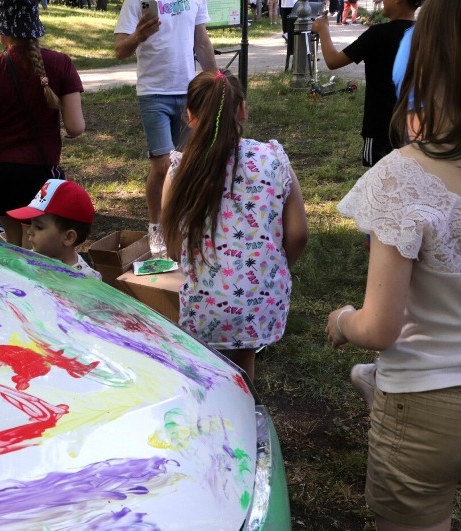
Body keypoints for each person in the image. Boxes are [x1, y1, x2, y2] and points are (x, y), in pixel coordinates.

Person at [326, 0, 461, 527]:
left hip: (425, 408)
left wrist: (341, 321)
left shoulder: (401, 178)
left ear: (421, 62)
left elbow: (380, 326)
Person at [160, 70, 308, 380]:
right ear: (242, 110)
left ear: (189, 116)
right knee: (244, 360)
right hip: (262, 297)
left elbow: (173, 245)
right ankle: (248, 407)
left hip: (204, 302)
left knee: (207, 373)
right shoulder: (273, 158)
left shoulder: (178, 171)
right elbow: (298, 234)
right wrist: (274, 265)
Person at [0, 0, 85, 247]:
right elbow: (75, 127)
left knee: (13, 243)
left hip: (0, 174)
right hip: (40, 174)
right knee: (35, 245)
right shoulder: (61, 64)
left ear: (3, 32)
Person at [114, 0, 217, 257]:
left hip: (188, 93)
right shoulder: (137, 1)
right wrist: (139, 35)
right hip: (153, 93)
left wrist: (216, 81)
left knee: (188, 163)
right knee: (163, 165)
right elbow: (119, 49)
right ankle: (157, 227)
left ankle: (186, 224)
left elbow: (201, 41)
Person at [312, 0, 417, 167]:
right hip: (417, 126)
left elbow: (333, 61)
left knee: (378, 180)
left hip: (380, 127)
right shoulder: (426, 34)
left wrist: (323, 30)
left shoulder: (377, 34)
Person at [7, 178, 101, 280]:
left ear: (69, 237)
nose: (29, 231)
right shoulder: (30, 258)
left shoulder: (86, 282)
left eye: (38, 227)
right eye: (31, 224)